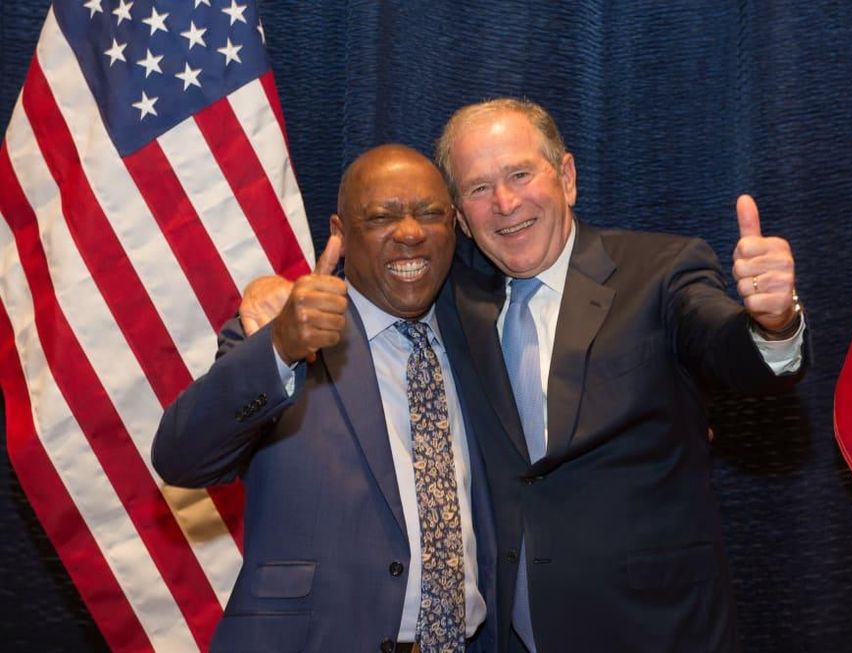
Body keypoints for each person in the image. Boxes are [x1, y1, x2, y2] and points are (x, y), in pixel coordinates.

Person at [240, 99, 807, 652]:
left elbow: (727, 349)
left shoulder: (659, 271)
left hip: (657, 628)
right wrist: (276, 293)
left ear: (566, 176)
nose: (506, 203)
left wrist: (772, 322)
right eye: (479, 188)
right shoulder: (451, 296)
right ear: (460, 215)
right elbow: (369, 294)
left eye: (519, 174)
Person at [152, 145, 497, 653]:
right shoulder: (282, 332)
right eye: (381, 217)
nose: (409, 233)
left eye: (429, 214)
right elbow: (181, 457)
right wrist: (279, 348)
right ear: (340, 232)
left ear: (454, 225)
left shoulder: (479, 334)